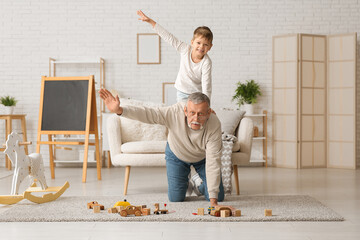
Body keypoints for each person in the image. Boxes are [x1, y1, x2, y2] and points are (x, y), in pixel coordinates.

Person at [99, 88, 231, 208]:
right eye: (192, 113)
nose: (195, 118)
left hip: (202, 158)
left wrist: (214, 203)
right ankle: (185, 181)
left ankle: (197, 181)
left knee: (217, 196)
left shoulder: (214, 124)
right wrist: (120, 110)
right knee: (176, 198)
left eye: (201, 114)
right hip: (177, 155)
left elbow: (213, 161)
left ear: (208, 113)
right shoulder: (174, 112)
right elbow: (149, 114)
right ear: (185, 110)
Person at [137, 10, 213, 102]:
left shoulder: (206, 62)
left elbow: (206, 84)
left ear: (210, 47)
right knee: (181, 114)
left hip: (197, 95)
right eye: (198, 43)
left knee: (196, 115)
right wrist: (150, 21)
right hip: (182, 92)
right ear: (192, 43)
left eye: (205, 45)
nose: (201, 47)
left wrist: (207, 104)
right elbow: (169, 38)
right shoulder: (185, 49)